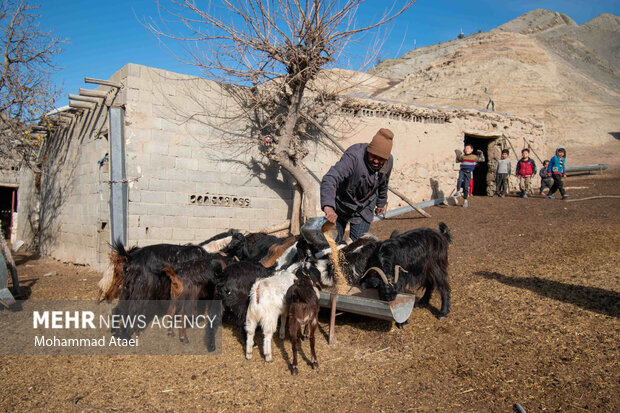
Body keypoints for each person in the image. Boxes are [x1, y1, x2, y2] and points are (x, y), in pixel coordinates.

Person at [320, 128, 394, 243]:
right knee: (332, 242)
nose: (376, 161)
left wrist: (381, 202)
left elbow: (384, 183)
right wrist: (329, 208)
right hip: (341, 206)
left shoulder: (388, 162)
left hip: (363, 209)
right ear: (369, 150)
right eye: (373, 156)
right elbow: (331, 178)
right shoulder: (354, 156)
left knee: (357, 246)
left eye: (381, 159)